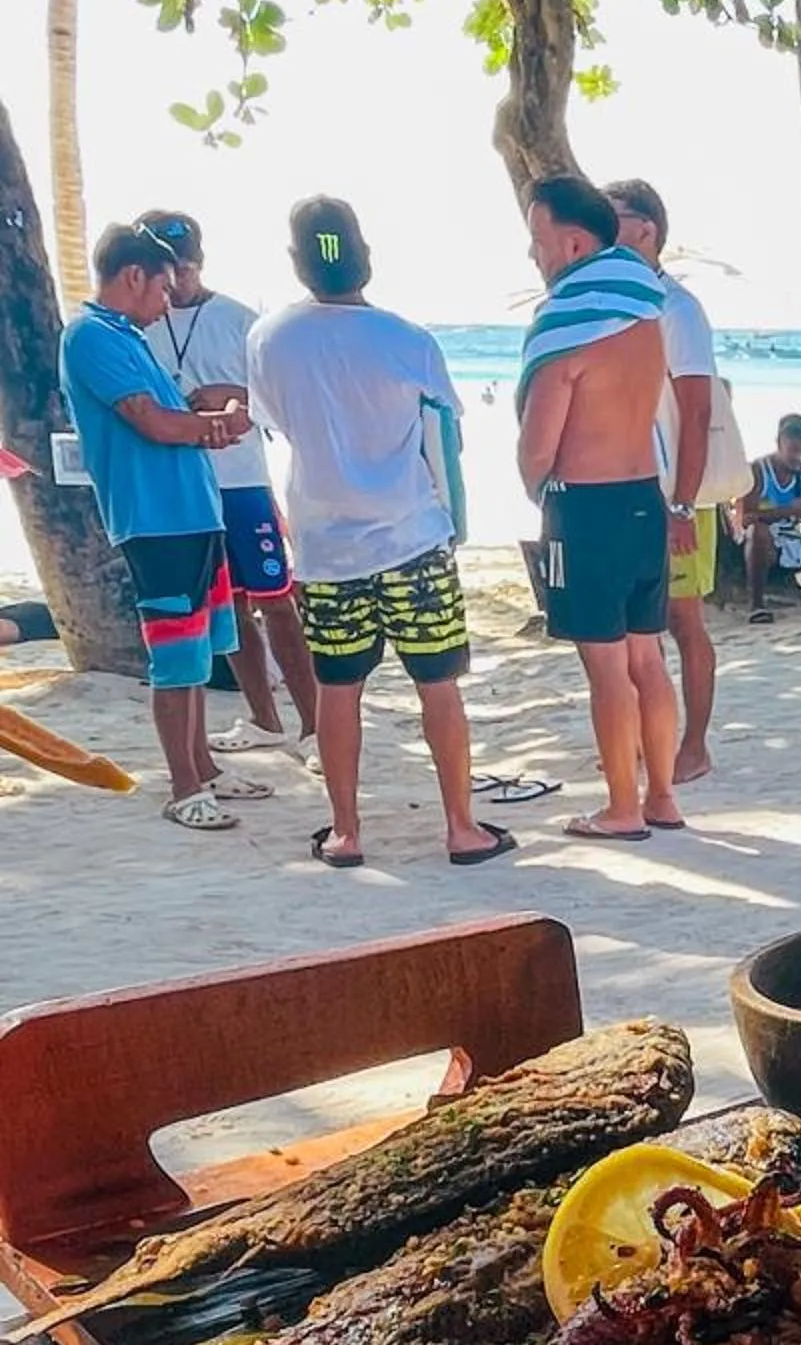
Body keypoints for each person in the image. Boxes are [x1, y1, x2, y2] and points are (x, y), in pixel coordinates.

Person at [246, 196, 510, 870]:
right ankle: (460, 827)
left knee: (340, 690)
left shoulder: (268, 339)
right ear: (366, 254)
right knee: (438, 686)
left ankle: (346, 832)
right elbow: (442, 435)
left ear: (295, 261)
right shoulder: (408, 339)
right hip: (412, 539)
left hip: (327, 548)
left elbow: (274, 423)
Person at [57, 219, 266, 833]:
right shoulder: (90, 335)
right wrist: (215, 426)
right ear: (133, 276)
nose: (168, 303)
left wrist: (214, 419)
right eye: (162, 290)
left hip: (193, 511)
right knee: (175, 657)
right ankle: (182, 786)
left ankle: (202, 767)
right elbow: (150, 421)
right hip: (154, 520)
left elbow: (175, 414)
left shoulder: (128, 335)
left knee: (199, 653)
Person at [517, 173, 682, 843]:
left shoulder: (566, 331)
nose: (533, 254)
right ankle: (662, 795)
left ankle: (621, 806)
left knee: (607, 668)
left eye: (537, 238)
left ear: (573, 240)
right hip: (645, 498)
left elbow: (538, 450)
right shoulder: (645, 313)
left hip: (587, 510)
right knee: (648, 658)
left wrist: (533, 484)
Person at [135, 207, 319, 751]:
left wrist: (228, 397)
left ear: (201, 261)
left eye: (186, 268)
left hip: (241, 483)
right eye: (169, 270)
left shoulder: (241, 321)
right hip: (184, 486)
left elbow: (282, 403)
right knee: (228, 607)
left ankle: (313, 726)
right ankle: (265, 720)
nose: (178, 280)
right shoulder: (143, 323)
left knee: (276, 600)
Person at [604, 177, 720, 781]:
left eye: (612, 217)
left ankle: (693, 746)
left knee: (683, 619)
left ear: (645, 230)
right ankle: (647, 738)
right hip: (624, 486)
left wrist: (683, 504)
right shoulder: (617, 302)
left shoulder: (676, 308)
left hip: (675, 488)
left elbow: (697, 412)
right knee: (628, 624)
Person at [742, 413, 801, 618]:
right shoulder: (759, 471)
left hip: (795, 542)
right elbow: (745, 517)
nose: (799, 457)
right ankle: (756, 604)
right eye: (793, 451)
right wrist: (788, 511)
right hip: (764, 546)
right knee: (757, 532)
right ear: (779, 443)